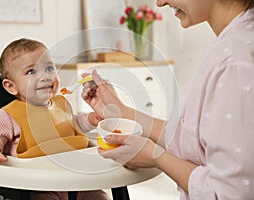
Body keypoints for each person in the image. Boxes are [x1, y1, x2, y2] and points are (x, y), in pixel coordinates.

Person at [82, 0, 254, 199]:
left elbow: (229, 194)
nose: (160, 2)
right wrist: (121, 113)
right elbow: (194, 141)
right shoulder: (235, 43)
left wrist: (157, 157)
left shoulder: (234, 61)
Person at [0, 38, 109, 200]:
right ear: (10, 86)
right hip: (36, 185)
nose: (45, 76)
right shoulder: (9, 115)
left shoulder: (61, 103)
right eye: (31, 71)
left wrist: (91, 119)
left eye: (49, 68)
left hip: (75, 179)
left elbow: (71, 124)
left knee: (99, 196)